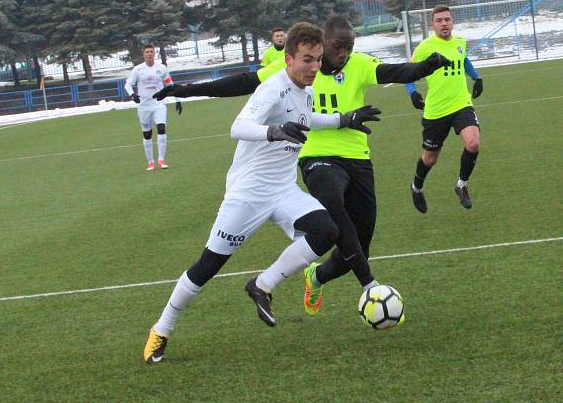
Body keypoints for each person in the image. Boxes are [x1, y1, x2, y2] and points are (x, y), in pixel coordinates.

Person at [154, 16, 452, 317]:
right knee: (214, 263)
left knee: (345, 239)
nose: (341, 54)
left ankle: (298, 279)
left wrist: (348, 117)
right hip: (291, 170)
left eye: (346, 48)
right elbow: (241, 92)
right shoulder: (285, 77)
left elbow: (394, 72)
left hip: (331, 168)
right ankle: (370, 286)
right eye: (336, 47)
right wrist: (187, 89)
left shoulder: (345, 71)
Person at [143, 23, 380, 363]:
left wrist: (345, 119)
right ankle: (161, 329)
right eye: (306, 60)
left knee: (326, 230)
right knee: (207, 266)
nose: (314, 67)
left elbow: (307, 118)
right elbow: (237, 127)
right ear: (288, 59)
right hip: (248, 194)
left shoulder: (306, 88)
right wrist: (274, 131)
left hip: (283, 190)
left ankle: (262, 285)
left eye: (317, 60)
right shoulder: (273, 89)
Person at [404, 6, 483, 213]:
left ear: (452, 22)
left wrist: (476, 77)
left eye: (447, 19)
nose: (444, 23)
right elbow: (408, 71)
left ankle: (461, 185)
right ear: (433, 25)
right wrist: (412, 92)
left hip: (461, 104)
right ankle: (416, 187)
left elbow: (463, 59)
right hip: (436, 111)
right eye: (439, 20)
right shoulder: (425, 47)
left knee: (473, 143)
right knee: (430, 158)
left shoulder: (460, 42)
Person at [124, 44, 182, 170]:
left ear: (154, 53)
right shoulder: (138, 69)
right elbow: (128, 85)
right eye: (147, 52)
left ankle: (161, 160)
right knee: (147, 134)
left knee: (161, 128)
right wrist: (133, 95)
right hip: (144, 106)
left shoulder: (161, 68)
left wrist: (177, 99)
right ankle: (150, 162)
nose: (150, 54)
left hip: (158, 104)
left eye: (151, 51)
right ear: (143, 54)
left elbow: (170, 85)